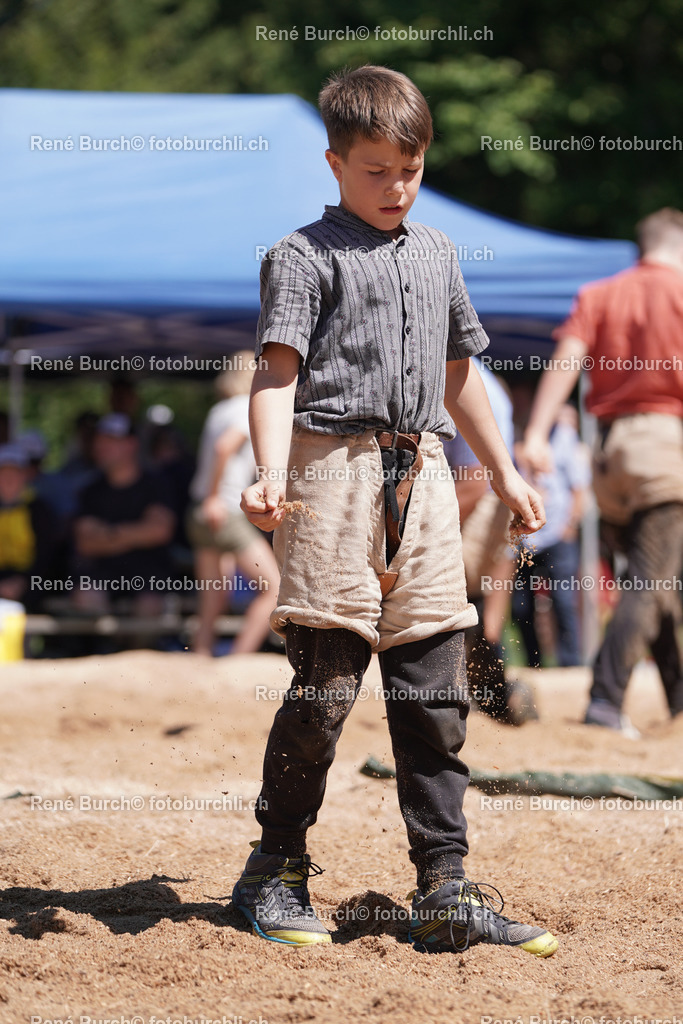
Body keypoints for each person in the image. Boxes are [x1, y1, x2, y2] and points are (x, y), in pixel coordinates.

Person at [231, 66, 558, 957]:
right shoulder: (301, 255)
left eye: (408, 170)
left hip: (422, 477)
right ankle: (276, 870)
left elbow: (459, 376)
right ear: (334, 163)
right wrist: (268, 469)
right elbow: (276, 371)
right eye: (375, 171)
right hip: (328, 472)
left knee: (434, 688)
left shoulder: (439, 253)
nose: (395, 187)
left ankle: (445, 887)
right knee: (326, 686)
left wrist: (503, 468)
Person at [520, 207, 683, 735]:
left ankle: (679, 701)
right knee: (650, 582)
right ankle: (605, 701)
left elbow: (566, 359)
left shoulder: (601, 292)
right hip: (662, 448)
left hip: (608, 458)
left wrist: (538, 435)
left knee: (659, 581)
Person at [444, 360, 537, 725]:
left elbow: (472, 483)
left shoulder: (461, 378)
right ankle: (498, 701)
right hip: (488, 505)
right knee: (477, 611)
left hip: (479, 503)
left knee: (456, 602)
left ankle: (494, 701)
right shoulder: (476, 377)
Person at [187, 357, 279, 655]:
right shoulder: (245, 407)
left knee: (213, 595)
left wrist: (208, 498)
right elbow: (223, 447)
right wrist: (215, 497)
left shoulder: (218, 409)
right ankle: (239, 658)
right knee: (274, 589)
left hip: (200, 509)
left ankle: (200, 654)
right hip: (224, 508)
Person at [73, 413, 176, 618]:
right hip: (102, 574)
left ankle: (141, 650)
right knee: (85, 597)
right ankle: (105, 648)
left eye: (111, 441)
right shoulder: (91, 491)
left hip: (150, 576)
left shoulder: (156, 484)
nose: (102, 447)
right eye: (99, 441)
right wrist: (137, 534)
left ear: (132, 444)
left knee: (150, 607)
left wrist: (108, 534)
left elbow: (159, 531)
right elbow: (85, 543)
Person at [513, 405, 590, 667]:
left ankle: (571, 663)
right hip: (524, 538)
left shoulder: (564, 437)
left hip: (558, 534)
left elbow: (579, 488)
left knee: (564, 601)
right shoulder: (511, 437)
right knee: (521, 605)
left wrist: (569, 527)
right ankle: (533, 664)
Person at [0, 443, 60, 611]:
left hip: (33, 581)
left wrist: (23, 581)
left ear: (26, 475)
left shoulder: (40, 510)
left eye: (15, 472)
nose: (8, 479)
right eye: (3, 472)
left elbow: (47, 556)